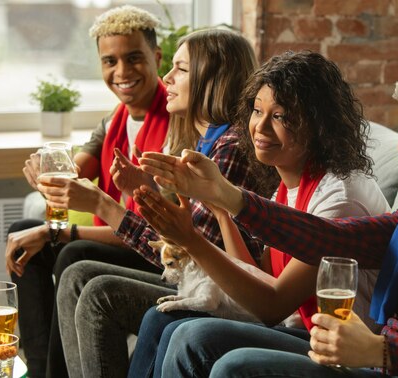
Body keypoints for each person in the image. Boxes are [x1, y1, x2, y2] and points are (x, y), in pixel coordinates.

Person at [138, 61, 398, 376]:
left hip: (396, 364)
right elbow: (331, 240)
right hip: (380, 354)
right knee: (191, 334)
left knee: (229, 362)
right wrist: (228, 196)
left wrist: (383, 352)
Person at [126, 50, 390, 377]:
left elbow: (271, 306)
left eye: (280, 116)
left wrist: (191, 240)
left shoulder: (340, 199)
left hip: (336, 345)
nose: (260, 127)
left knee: (192, 335)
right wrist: (223, 213)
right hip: (299, 328)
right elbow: (259, 276)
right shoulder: (288, 185)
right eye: (257, 110)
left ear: (319, 124)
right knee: (164, 320)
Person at [44, 28, 265, 378]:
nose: (167, 78)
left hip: (216, 291)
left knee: (95, 287)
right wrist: (139, 191)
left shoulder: (230, 149)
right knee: (77, 272)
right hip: (198, 278)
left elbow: (186, 251)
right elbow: (179, 235)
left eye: (180, 69)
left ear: (212, 78)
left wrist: (104, 204)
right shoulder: (206, 139)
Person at [4, 6, 169, 378]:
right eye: (109, 61)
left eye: (134, 58)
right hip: (123, 236)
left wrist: (57, 230)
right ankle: (39, 370)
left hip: (151, 250)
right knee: (22, 230)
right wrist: (45, 169)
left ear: (156, 57)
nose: (122, 72)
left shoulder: (175, 122)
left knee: (72, 251)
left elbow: (146, 232)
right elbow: (73, 171)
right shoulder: (114, 120)